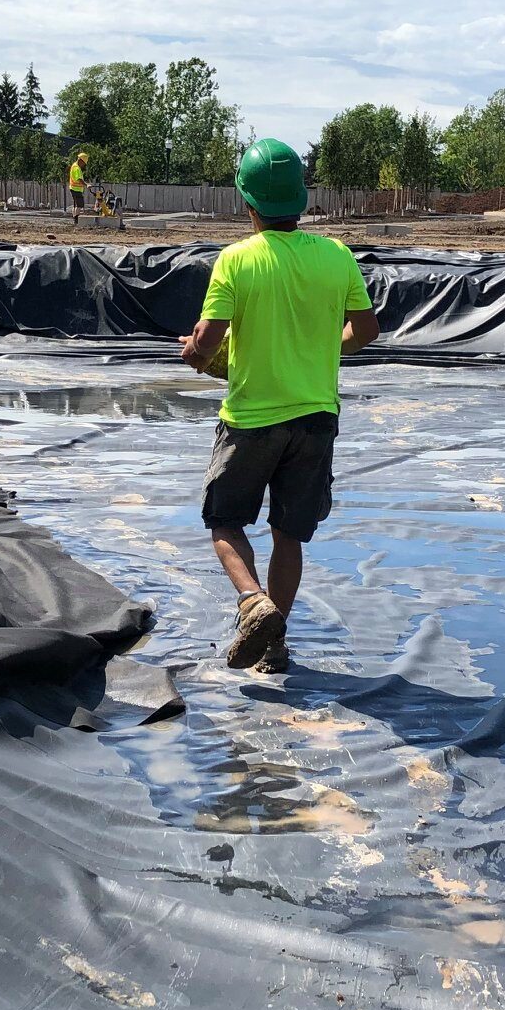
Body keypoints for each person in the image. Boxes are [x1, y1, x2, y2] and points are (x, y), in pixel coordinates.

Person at [180, 138, 380, 672]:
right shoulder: (336, 255)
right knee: (287, 535)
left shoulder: (236, 262)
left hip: (251, 420)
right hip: (316, 419)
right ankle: (275, 644)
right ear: (302, 199)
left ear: (247, 202)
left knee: (224, 521)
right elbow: (366, 330)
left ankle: (252, 602)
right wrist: (322, 349)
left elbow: (206, 341)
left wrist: (195, 353)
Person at [68, 152, 88, 224]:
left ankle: (75, 219)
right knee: (79, 205)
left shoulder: (75, 166)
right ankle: (76, 220)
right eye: (84, 163)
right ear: (81, 160)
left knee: (76, 205)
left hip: (75, 189)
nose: (84, 165)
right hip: (76, 189)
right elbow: (79, 179)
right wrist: (87, 185)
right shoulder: (76, 168)